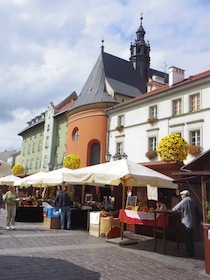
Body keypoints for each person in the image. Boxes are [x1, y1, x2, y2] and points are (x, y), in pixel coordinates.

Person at [172, 190, 196, 257]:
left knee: (188, 238)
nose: (181, 196)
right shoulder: (192, 200)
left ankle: (189, 253)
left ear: (184, 195)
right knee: (190, 238)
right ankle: (191, 252)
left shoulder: (185, 200)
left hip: (186, 222)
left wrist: (173, 211)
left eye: (182, 195)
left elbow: (175, 208)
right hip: (192, 221)